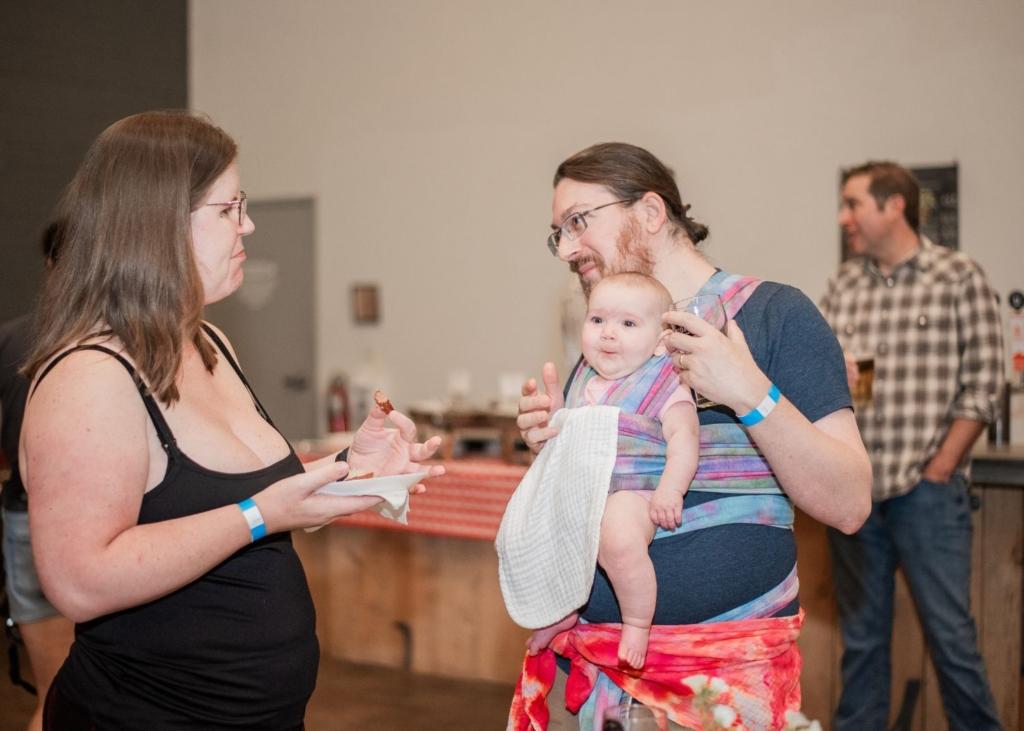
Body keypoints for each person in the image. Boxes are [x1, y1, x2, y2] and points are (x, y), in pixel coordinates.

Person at [18, 110, 444, 730]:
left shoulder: (210, 342)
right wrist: (258, 516)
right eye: (228, 209)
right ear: (158, 223)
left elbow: (241, 499)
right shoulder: (91, 376)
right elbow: (80, 581)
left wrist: (354, 467)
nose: (248, 224)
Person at [509, 142, 872, 731]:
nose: (569, 249)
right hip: (592, 681)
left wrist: (750, 393)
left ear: (651, 212)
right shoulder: (603, 345)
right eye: (559, 233)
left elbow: (851, 503)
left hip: (720, 690)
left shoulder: (776, 316)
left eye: (578, 222)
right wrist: (555, 449)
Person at [820, 161, 1004, 731]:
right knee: (862, 642)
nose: (843, 217)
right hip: (856, 493)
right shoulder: (842, 286)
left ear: (894, 205)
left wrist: (942, 467)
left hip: (928, 491)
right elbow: (818, 380)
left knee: (952, 640)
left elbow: (987, 380)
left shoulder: (957, 275)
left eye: (853, 204)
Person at [523, 272, 699, 669]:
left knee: (618, 538)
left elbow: (685, 439)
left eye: (628, 324)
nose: (607, 334)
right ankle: (563, 610)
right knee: (549, 537)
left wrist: (671, 489)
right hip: (586, 490)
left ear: (659, 342)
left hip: (633, 490)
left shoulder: (665, 383)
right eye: (597, 320)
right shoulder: (585, 382)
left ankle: (637, 621)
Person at [1, 223, 75, 731]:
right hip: (110, 524)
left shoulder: (10, 336)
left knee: (55, 700)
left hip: (25, 517)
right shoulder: (123, 337)